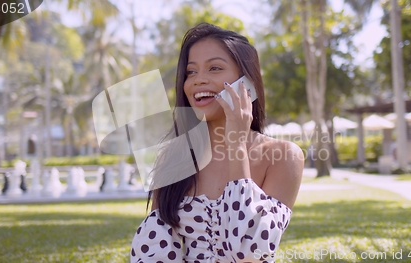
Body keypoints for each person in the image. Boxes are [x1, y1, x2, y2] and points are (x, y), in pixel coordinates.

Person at [130, 22, 304, 262]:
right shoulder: (173, 156)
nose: (198, 80)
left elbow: (250, 252)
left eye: (214, 68)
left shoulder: (284, 156)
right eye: (191, 72)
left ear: (247, 83)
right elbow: (155, 250)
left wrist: (236, 144)